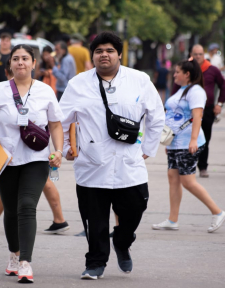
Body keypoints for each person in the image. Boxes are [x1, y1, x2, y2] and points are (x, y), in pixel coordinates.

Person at [60, 31, 165, 280]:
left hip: (130, 163)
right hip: (92, 164)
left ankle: (122, 241)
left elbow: (156, 116)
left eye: (109, 50)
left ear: (119, 54)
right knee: (94, 220)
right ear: (92, 56)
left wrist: (147, 149)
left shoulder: (139, 80)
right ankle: (95, 263)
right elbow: (60, 121)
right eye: (98, 51)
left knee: (136, 208)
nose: (103, 55)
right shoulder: (78, 84)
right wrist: (66, 148)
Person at [0, 44, 64, 283]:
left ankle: (26, 261)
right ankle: (14, 255)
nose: (20, 63)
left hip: (36, 159)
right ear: (10, 64)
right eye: (15, 59)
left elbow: (56, 125)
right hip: (5, 161)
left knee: (27, 205)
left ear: (34, 63)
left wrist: (58, 150)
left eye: (25, 58)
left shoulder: (46, 91)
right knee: (11, 209)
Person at [152, 57, 225, 233]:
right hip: (176, 143)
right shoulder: (182, 90)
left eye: (178, 72)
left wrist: (193, 140)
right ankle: (172, 220)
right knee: (173, 178)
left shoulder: (196, 91)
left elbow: (197, 116)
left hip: (188, 143)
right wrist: (169, 142)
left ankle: (218, 212)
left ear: (187, 74)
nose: (175, 74)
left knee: (188, 181)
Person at [172, 44, 225, 178]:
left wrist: (219, 104)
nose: (198, 56)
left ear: (205, 55)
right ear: (191, 54)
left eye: (200, 54)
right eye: (195, 54)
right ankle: (185, 165)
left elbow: (224, 86)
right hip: (186, 111)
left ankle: (203, 167)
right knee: (184, 137)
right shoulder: (186, 70)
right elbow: (176, 86)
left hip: (206, 110)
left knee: (204, 139)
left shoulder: (212, 69)